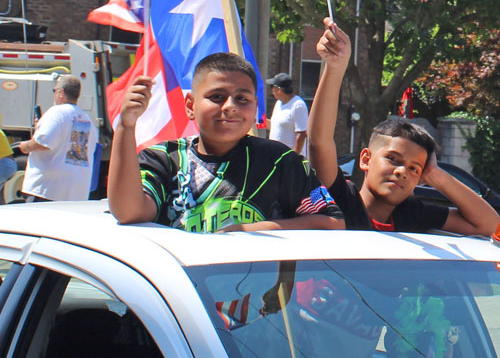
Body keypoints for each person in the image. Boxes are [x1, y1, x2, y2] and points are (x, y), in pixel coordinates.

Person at [108, 52, 345, 232]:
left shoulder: (279, 162)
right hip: (179, 295)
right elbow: (129, 212)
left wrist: (246, 232)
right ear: (190, 105)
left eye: (242, 98)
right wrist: (126, 126)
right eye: (217, 97)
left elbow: (333, 223)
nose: (230, 106)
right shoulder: (164, 159)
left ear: (255, 110)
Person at [308, 17, 500, 235]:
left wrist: (436, 175)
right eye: (392, 159)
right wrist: (334, 68)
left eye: (414, 169)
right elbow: (319, 141)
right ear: (366, 159)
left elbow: (490, 226)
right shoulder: (340, 200)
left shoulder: (412, 214)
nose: (401, 172)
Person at [19, 75, 98, 202]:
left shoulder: (56, 113)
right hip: (76, 191)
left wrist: (25, 146)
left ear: (61, 93)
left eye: (54, 90)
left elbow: (43, 143)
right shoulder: (87, 119)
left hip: (48, 189)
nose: (54, 94)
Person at [266, 72, 308, 156]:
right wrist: (257, 120)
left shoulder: (298, 105)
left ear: (279, 89)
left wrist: (293, 157)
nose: (271, 90)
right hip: (276, 157)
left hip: (289, 160)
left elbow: (302, 133)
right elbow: (275, 126)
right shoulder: (278, 103)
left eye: (272, 87)